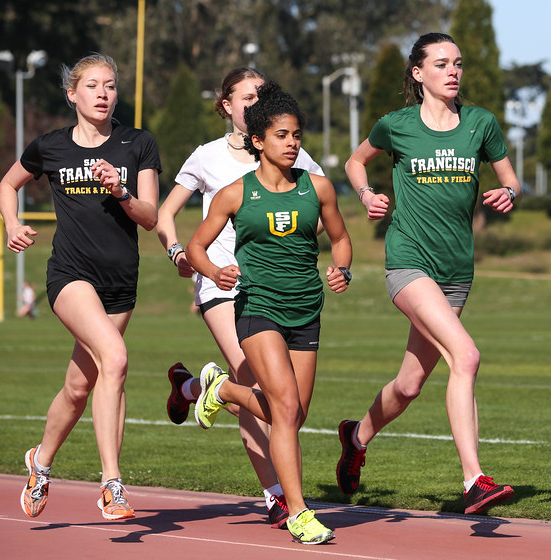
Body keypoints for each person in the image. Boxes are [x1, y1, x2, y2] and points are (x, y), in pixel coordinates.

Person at [336, 32, 519, 516]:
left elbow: (510, 177)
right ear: (419, 74)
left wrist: (510, 194)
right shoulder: (396, 125)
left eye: (458, 63)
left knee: (410, 384)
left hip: (457, 269)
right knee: (467, 354)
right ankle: (474, 480)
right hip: (408, 262)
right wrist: (366, 194)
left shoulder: (481, 123)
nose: (453, 71)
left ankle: (355, 437)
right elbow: (355, 161)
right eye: (441, 64)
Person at [155, 67, 325, 527]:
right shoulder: (207, 157)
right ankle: (276, 494)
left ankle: (193, 387)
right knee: (260, 386)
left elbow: (318, 199)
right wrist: (178, 254)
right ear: (226, 105)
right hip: (223, 285)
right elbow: (166, 213)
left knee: (276, 402)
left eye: (261, 96)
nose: (254, 103)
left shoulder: (288, 148)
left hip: (281, 289)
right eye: (246, 97)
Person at [186, 83, 351, 545]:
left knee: (293, 415)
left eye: (297, 134)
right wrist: (215, 272)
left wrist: (342, 268)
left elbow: (340, 238)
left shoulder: (317, 187)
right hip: (257, 307)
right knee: (283, 405)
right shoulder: (235, 194)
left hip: (306, 310)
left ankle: (223, 389)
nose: (292, 142)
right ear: (258, 141)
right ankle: (297, 511)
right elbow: (197, 246)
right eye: (282, 135)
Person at [0, 53, 160, 521]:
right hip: (69, 276)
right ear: (72, 94)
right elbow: (8, 185)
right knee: (116, 358)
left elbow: (149, 217)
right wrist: (12, 223)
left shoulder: (137, 144)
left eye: (110, 85)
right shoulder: (51, 146)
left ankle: (40, 462)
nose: (103, 94)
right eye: (92, 86)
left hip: (120, 283)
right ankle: (111, 485)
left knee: (78, 386)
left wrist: (122, 190)